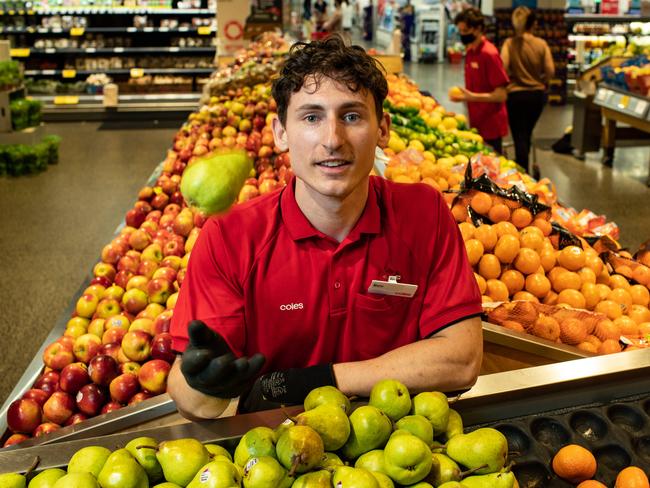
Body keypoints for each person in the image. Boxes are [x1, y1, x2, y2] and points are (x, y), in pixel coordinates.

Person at [167, 35, 483, 420]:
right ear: (280, 132)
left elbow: (462, 359)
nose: (333, 140)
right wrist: (204, 387)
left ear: (382, 129)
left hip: (405, 444)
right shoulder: (229, 237)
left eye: (351, 116)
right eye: (311, 117)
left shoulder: (424, 213)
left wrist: (314, 381)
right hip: (280, 455)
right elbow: (191, 399)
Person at [500, 7, 554, 178]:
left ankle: (522, 174)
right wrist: (542, 79)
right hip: (536, 96)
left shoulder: (509, 43)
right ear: (534, 24)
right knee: (526, 133)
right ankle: (524, 172)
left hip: (515, 96)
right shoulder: (541, 44)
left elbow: (503, 67)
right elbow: (550, 71)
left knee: (519, 135)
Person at [450, 8, 509, 154]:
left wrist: (471, 97)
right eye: (460, 31)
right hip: (477, 121)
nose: (462, 35)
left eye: (465, 31)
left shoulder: (489, 54)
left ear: (478, 29)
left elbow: (502, 94)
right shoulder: (470, 52)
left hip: (491, 124)